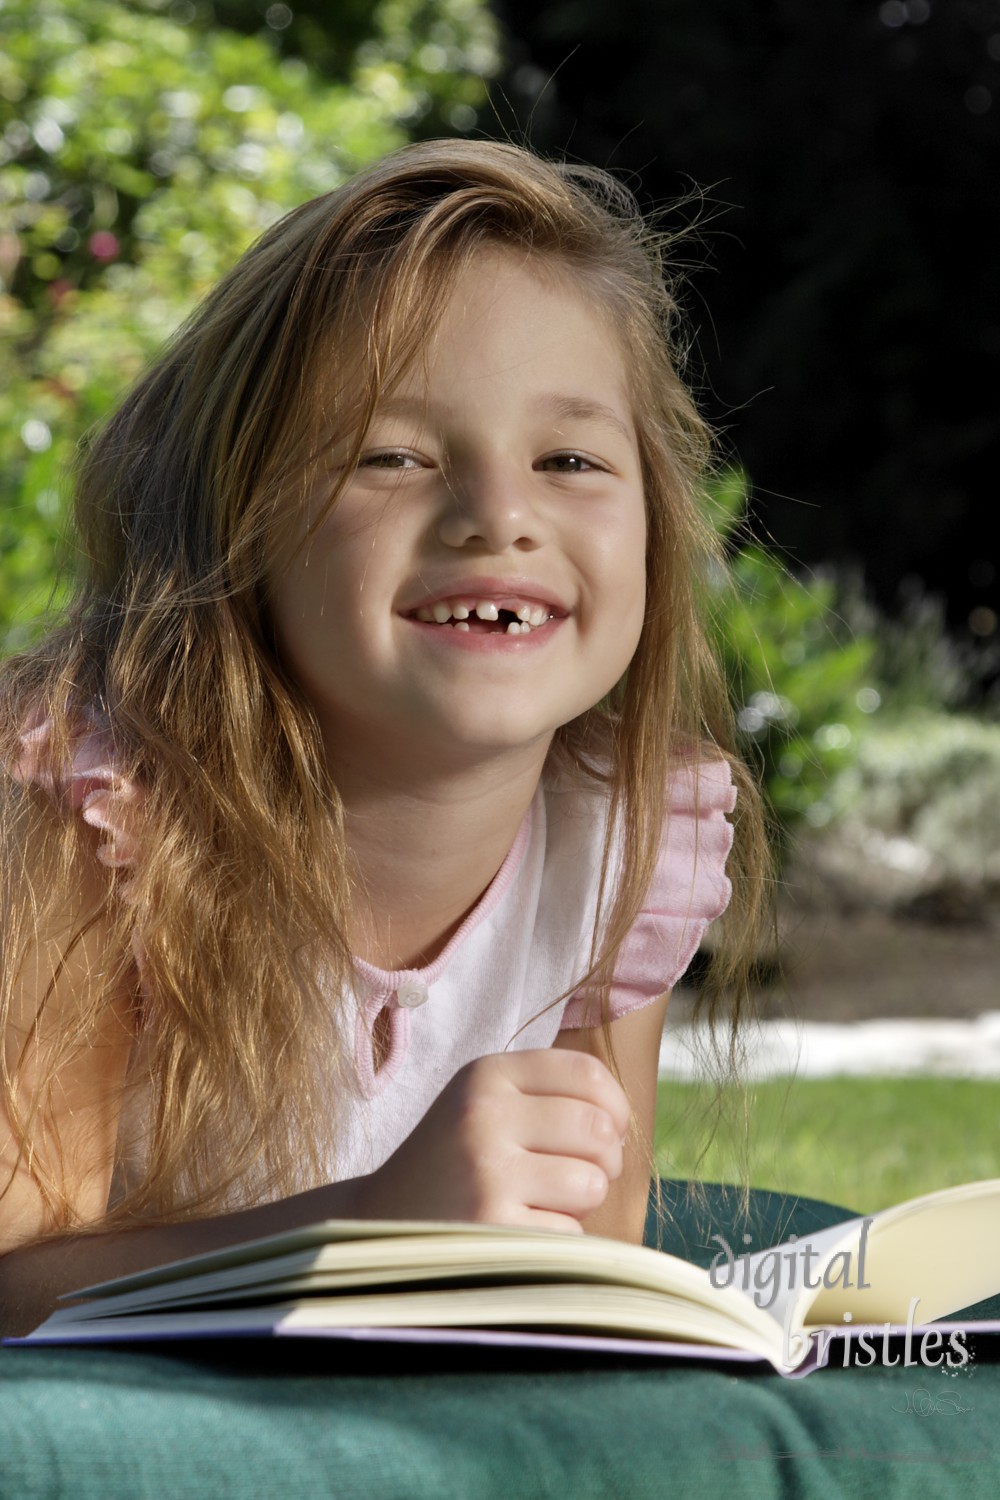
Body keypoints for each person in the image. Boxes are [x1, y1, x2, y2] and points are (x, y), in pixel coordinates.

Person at [0, 138, 767, 1336]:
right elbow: (11, 1290)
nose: (499, 517)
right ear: (232, 523)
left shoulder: (620, 844)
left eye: (568, 458)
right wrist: (365, 1234)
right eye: (391, 455)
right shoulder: (102, 820)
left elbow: (589, 1267)